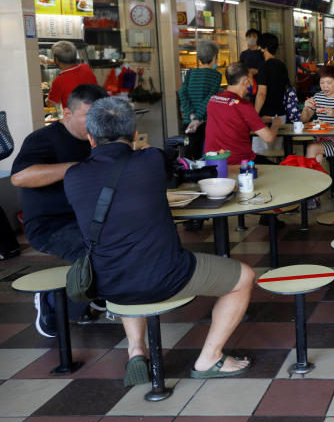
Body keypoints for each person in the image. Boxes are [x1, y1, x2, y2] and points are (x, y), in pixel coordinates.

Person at [64, 97, 254, 384]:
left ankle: (136, 350)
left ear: (90, 137)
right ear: (135, 132)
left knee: (124, 258)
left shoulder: (73, 176)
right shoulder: (151, 159)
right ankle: (210, 358)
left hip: (107, 283)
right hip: (165, 277)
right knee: (244, 278)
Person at [11, 84, 108, 336]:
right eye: (89, 116)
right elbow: (20, 177)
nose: (96, 123)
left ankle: (99, 292)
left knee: (132, 239)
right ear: (67, 114)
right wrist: (77, 168)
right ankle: (53, 303)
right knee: (99, 253)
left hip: (92, 219)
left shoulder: (100, 138)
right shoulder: (43, 139)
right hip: (50, 225)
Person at [204, 62, 282, 166]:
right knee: (279, 168)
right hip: (240, 163)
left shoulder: (213, 100)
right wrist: (276, 124)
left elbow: (231, 123)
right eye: (251, 79)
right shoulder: (244, 105)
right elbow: (269, 138)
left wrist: (258, 120)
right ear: (246, 81)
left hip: (214, 162)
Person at [302, 65, 334, 172]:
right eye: (322, 83)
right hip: (321, 139)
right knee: (317, 156)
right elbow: (304, 119)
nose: (325, 86)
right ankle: (317, 184)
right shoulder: (318, 97)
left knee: (311, 148)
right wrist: (305, 107)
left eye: (329, 83)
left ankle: (311, 184)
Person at [179, 39, 222, 159]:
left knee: (189, 155)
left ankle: (189, 177)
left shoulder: (190, 72)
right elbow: (210, 98)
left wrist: (191, 114)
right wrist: (198, 118)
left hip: (189, 121)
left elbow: (182, 92)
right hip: (205, 122)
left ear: (199, 58)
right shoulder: (216, 75)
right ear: (214, 57)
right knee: (206, 155)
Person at [46, 40, 98, 107]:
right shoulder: (85, 67)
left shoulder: (59, 81)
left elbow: (50, 104)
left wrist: (45, 98)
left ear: (56, 60)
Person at [256, 33, 290, 118]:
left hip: (268, 115)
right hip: (281, 112)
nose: (258, 48)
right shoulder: (281, 65)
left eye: (260, 46)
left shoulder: (264, 66)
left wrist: (254, 115)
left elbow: (262, 93)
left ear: (265, 48)